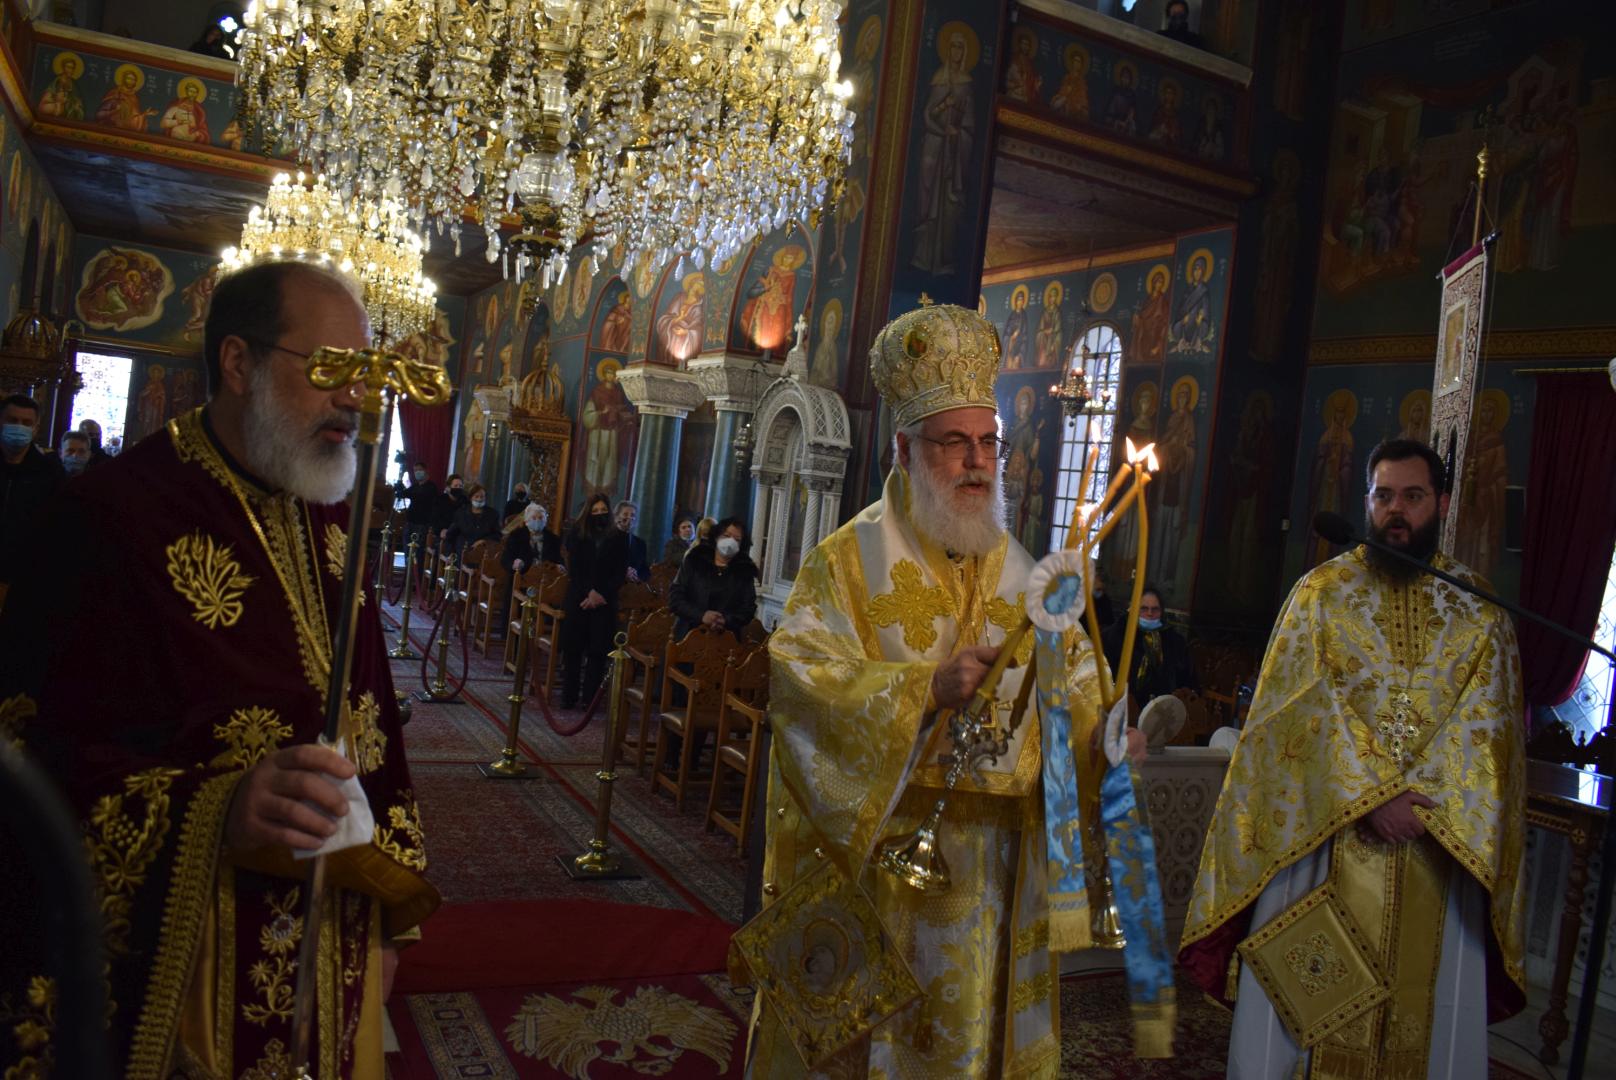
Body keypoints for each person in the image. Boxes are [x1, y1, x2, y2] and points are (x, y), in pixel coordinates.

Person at [0, 260, 437, 1077]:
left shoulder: (329, 514)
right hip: (186, 965)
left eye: (366, 375)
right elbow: (31, 763)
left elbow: (372, 711)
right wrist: (218, 809)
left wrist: (389, 916)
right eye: (331, 369)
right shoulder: (109, 518)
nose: (357, 399)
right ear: (238, 362)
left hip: (334, 939)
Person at [749, 304, 1141, 1078]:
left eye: (989, 442)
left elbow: (1076, 687)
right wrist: (922, 689)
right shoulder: (847, 561)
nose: (977, 462)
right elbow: (799, 679)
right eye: (954, 442)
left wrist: (1107, 739)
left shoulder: (1024, 570)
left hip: (997, 874)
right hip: (887, 871)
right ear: (904, 448)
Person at [1180, 439, 1525, 1079]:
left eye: (1413, 497)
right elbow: (1296, 709)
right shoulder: (1321, 594)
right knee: (1303, 1014)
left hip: (1437, 841)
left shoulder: (1478, 607)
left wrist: (1417, 804)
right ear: (1366, 500)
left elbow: (1487, 726)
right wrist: (1373, 796)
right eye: (1383, 495)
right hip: (1323, 836)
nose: (1396, 511)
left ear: (1441, 503)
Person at [560, 492, 628, 709]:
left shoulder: (619, 537)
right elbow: (575, 569)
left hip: (604, 602)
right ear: (588, 512)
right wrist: (589, 592)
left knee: (597, 652)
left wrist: (600, 594)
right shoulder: (577, 534)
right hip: (579, 598)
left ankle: (590, 699)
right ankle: (569, 696)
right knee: (573, 649)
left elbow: (619, 573)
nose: (600, 514)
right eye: (595, 510)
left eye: (603, 510)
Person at [0, 394, 63, 586]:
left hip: (24, 574)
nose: (19, 427)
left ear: (35, 429)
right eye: (12, 420)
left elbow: (56, 523)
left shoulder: (50, 471)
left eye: (26, 423)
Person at [1102, 584, 1197, 711]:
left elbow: (1187, 678)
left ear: (1161, 612)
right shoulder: (1117, 636)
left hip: (1163, 710)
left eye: (1155, 609)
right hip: (1125, 709)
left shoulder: (1174, 641)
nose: (1150, 613)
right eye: (1144, 609)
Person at [667, 516, 757, 640]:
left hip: (726, 639)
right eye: (726, 535)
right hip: (687, 635)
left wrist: (725, 620)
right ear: (716, 537)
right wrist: (701, 615)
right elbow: (675, 598)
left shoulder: (744, 571)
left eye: (737, 539)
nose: (730, 541)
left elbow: (748, 608)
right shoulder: (694, 560)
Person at [441, 482, 500, 563]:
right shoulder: (461, 513)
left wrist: (484, 540)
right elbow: (451, 535)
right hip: (462, 552)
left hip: (483, 553)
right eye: (476, 496)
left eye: (482, 497)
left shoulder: (492, 514)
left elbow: (497, 535)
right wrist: (450, 553)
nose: (479, 499)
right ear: (471, 498)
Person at [394, 460, 439, 555]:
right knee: (407, 551)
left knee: (417, 552)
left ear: (426, 471)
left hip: (422, 525)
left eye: (420, 470)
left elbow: (419, 496)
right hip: (410, 522)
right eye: (415, 470)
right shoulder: (415, 486)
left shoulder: (431, 487)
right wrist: (399, 487)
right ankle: (408, 564)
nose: (417, 472)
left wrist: (406, 493)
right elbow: (405, 493)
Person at [614, 499, 649, 582]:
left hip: (633, 586)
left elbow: (645, 570)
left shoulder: (640, 543)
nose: (630, 517)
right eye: (625, 514)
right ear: (617, 517)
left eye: (632, 515)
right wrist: (622, 572)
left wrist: (636, 575)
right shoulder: (607, 539)